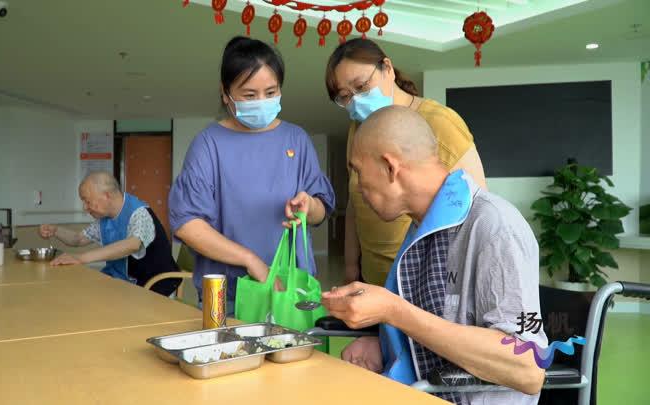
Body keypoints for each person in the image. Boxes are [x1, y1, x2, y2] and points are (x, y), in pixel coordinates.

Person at [322, 106, 546, 404]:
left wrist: (394, 311)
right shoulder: (421, 230)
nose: (359, 189)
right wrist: (386, 345)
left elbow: (528, 369)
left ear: (390, 167)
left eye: (359, 173)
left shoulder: (494, 225)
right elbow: (436, 325)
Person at [169, 36, 335, 314]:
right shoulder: (209, 144)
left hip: (290, 292)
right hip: (227, 294)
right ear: (225, 93)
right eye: (249, 95)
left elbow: (320, 212)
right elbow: (187, 224)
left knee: (294, 358)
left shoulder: (296, 139)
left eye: (271, 93)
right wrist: (249, 260)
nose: (261, 102)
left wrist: (309, 206)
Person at [325, 38, 487, 287]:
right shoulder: (358, 128)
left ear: (387, 68)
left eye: (361, 86)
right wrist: (350, 269)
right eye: (345, 97)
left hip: (424, 284)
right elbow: (355, 202)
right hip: (373, 283)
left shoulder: (440, 123)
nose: (355, 101)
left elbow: (478, 208)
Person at [39, 171, 180, 295]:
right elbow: (78, 239)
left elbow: (132, 245)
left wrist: (82, 258)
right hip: (123, 286)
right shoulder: (106, 219)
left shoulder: (139, 213)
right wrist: (55, 230)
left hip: (154, 287)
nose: (85, 208)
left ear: (106, 196)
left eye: (87, 201)